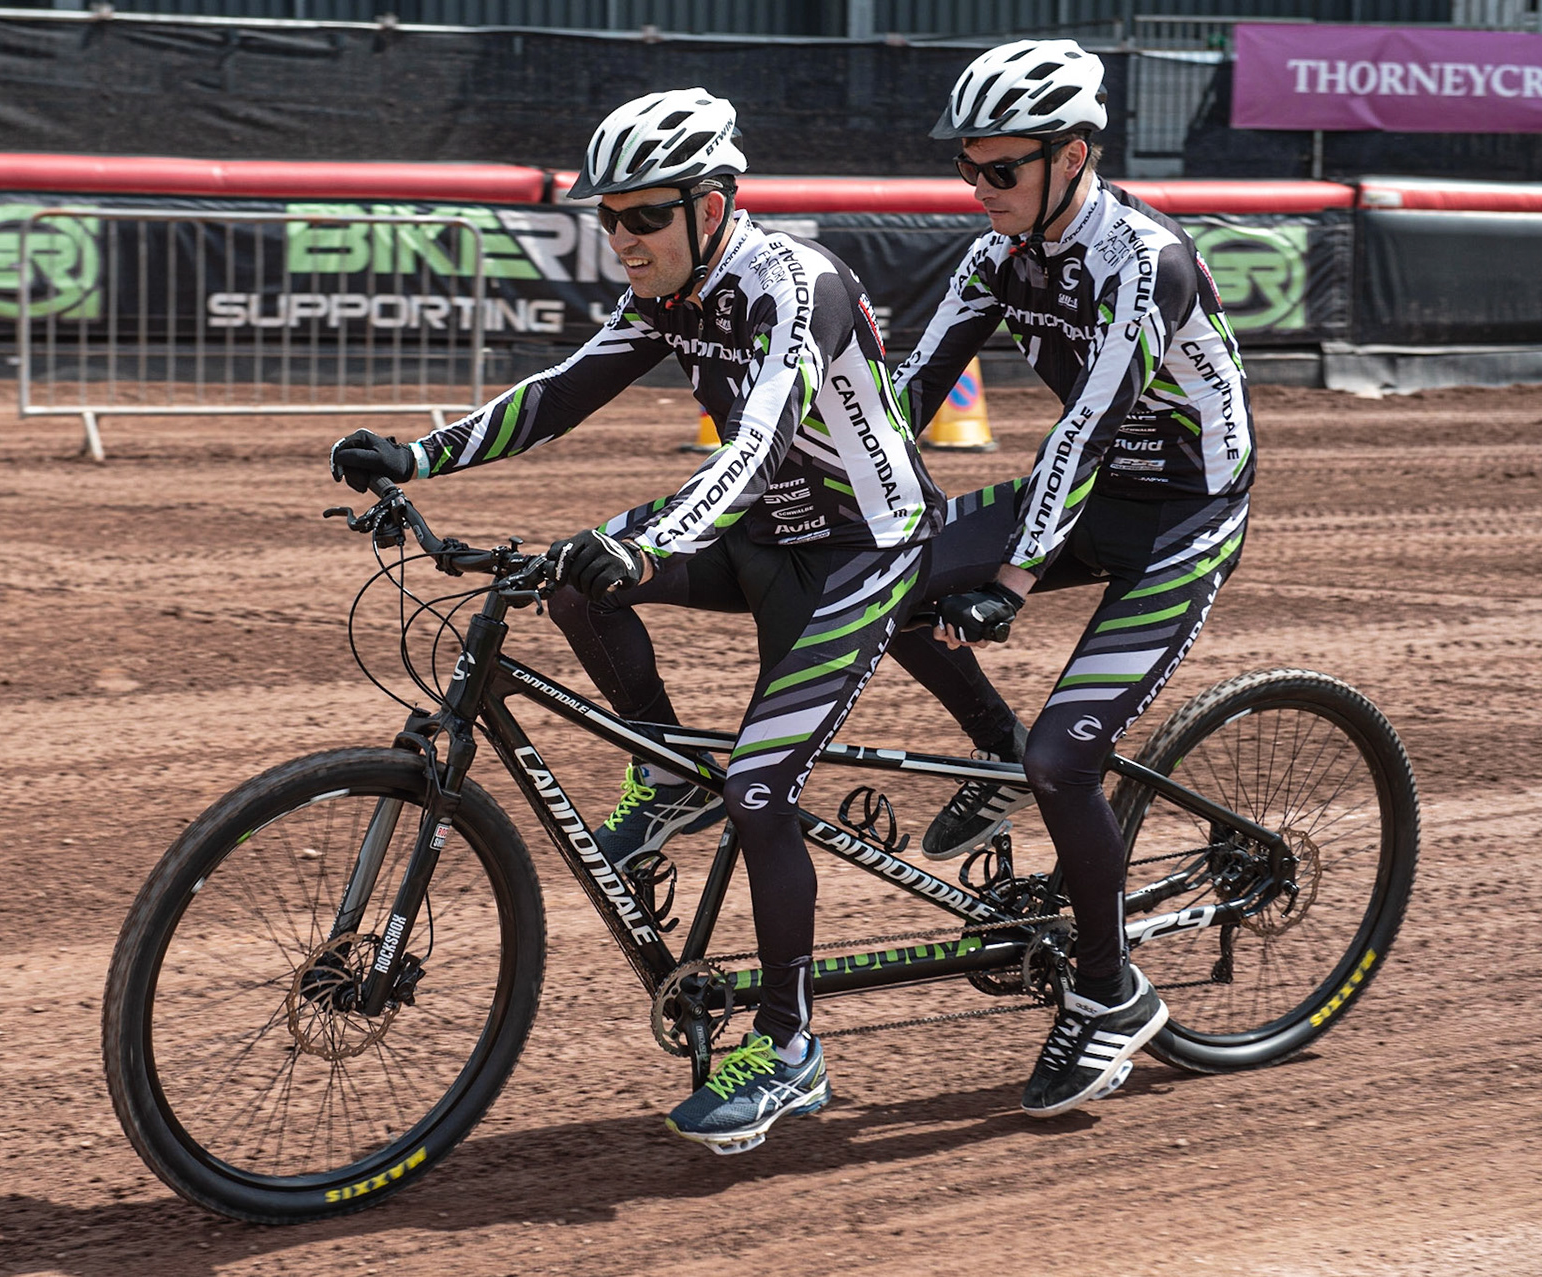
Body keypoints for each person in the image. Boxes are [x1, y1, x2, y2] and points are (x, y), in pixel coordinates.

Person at [331, 88, 1004, 1154]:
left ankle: (790, 1051)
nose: (621, 238)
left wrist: (647, 541)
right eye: (608, 217)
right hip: (760, 530)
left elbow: (757, 442)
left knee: (764, 789)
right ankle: (668, 774)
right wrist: (418, 454)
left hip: (859, 553)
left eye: (642, 215)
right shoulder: (674, 289)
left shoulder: (796, 283)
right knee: (562, 578)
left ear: (713, 203)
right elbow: (559, 393)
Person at [890, 38, 1257, 1118]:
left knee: (1069, 758)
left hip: (1185, 509)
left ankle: (1107, 996)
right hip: (1096, 493)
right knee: (875, 580)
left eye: (1001, 171)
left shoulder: (1146, 260)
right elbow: (906, 389)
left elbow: (1087, 428)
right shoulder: (997, 253)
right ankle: (994, 750)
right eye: (970, 169)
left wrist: (1008, 575)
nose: (980, 189)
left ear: (1073, 156)